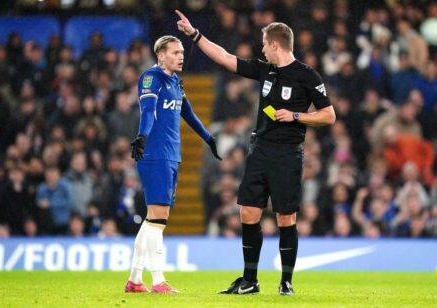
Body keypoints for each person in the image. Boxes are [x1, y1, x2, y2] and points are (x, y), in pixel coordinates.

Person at [176, 10, 336, 296]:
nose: (261, 48)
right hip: (260, 150)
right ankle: (250, 280)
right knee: (248, 212)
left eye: (264, 43)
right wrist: (195, 35)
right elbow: (225, 57)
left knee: (286, 217)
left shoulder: (306, 75)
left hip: (288, 154)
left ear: (276, 44)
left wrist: (297, 116)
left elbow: (329, 116)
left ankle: (286, 283)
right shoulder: (265, 70)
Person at [125, 35, 221, 294]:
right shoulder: (151, 78)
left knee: (152, 219)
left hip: (170, 155)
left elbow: (188, 113)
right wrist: (142, 137)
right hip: (155, 154)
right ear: (161, 56)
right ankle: (158, 281)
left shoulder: (176, 82)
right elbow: (148, 110)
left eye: (181, 52)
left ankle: (134, 280)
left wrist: (209, 138)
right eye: (175, 52)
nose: (181, 56)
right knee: (159, 219)